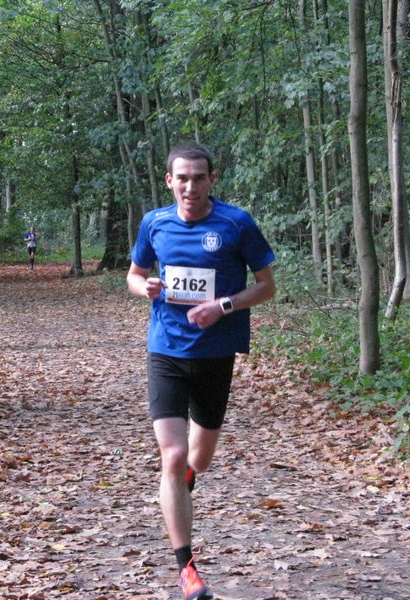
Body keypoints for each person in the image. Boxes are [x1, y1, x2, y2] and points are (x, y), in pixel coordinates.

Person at [127, 142, 276, 600]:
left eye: (199, 178)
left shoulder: (236, 223)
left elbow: (267, 286)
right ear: (169, 181)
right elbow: (133, 275)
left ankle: (182, 484)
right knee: (172, 456)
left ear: (212, 180)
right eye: (182, 178)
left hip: (215, 354)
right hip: (166, 350)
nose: (190, 186)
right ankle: (187, 570)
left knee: (199, 460)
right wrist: (145, 287)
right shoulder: (154, 223)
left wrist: (223, 305)